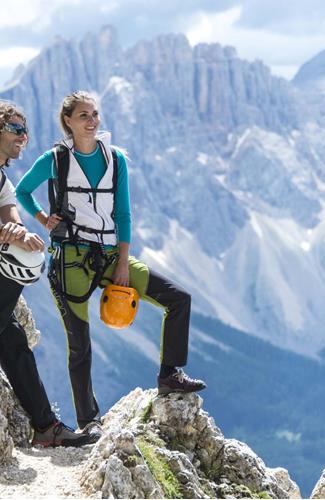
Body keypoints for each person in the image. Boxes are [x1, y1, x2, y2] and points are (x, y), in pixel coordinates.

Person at [16, 91, 206, 443]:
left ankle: (169, 374)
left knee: (178, 298)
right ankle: (90, 422)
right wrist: (43, 219)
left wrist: (122, 262)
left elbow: (123, 214)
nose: (92, 121)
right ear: (68, 121)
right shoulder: (55, 159)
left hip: (108, 257)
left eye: (95, 114)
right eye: (84, 115)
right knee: (80, 345)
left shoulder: (115, 159)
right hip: (69, 262)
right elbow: (22, 191)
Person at [0, 100, 90, 447]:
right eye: (16, 129)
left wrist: (18, 232)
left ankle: (45, 428)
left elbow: (12, 220)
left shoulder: (3, 181)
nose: (24, 136)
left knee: (13, 338)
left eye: (26, 130)